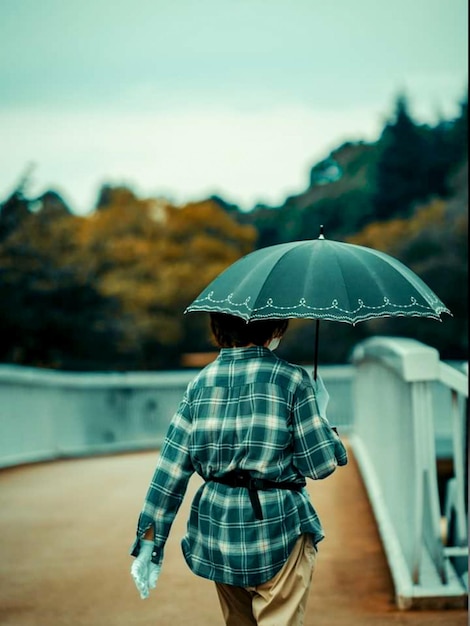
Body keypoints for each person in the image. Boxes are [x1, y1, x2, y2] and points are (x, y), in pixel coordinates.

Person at [130, 312, 348, 626]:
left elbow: (170, 469)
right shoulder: (292, 379)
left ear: (219, 328)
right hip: (280, 523)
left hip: (219, 526)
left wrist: (150, 542)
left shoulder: (199, 384)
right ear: (275, 327)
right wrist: (322, 417)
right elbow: (319, 464)